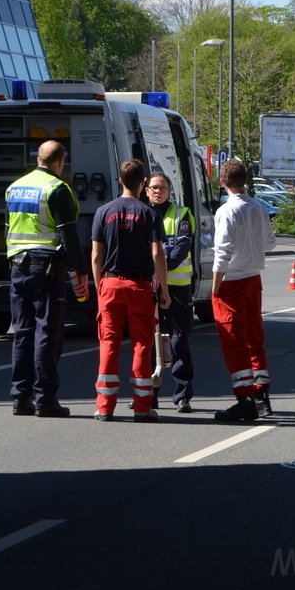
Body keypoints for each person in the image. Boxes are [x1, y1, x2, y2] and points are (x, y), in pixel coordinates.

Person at [5, 141, 89, 418]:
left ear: (38, 158)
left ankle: (20, 397)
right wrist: (80, 270)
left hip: (18, 266)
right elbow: (68, 235)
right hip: (47, 268)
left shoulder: (15, 187)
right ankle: (45, 399)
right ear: (60, 162)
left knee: (22, 332)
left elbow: (9, 228)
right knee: (47, 334)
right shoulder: (57, 189)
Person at [91, 159, 170, 423]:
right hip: (139, 286)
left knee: (109, 343)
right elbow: (157, 253)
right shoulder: (150, 214)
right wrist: (165, 288)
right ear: (143, 182)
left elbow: (95, 255)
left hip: (110, 284)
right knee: (141, 345)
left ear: (120, 180)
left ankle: (104, 407)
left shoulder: (103, 212)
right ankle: (142, 407)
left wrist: (100, 285)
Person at [211, 158, 277, 421]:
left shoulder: (226, 211)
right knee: (253, 338)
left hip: (232, 282)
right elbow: (270, 243)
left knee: (232, 341)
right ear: (246, 181)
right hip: (253, 278)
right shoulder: (258, 207)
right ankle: (262, 394)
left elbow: (222, 253)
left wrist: (215, 286)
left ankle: (244, 397)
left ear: (222, 182)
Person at [146, 172, 197, 413]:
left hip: (177, 288)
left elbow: (180, 250)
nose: (158, 191)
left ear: (169, 191)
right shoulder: (141, 214)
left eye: (162, 188)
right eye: (154, 188)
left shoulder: (181, 215)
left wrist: (157, 263)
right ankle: (148, 395)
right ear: (146, 190)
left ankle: (182, 395)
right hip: (148, 288)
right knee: (148, 342)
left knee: (179, 340)